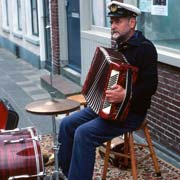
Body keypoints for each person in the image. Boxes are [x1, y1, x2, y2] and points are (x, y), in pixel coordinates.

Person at [58, 1, 158, 180]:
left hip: (131, 114)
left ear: (132, 23)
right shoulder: (119, 45)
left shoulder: (146, 49)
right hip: (107, 107)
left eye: (117, 21)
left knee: (84, 133)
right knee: (67, 124)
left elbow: (151, 86)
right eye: (111, 22)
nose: (113, 26)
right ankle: (67, 173)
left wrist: (126, 94)